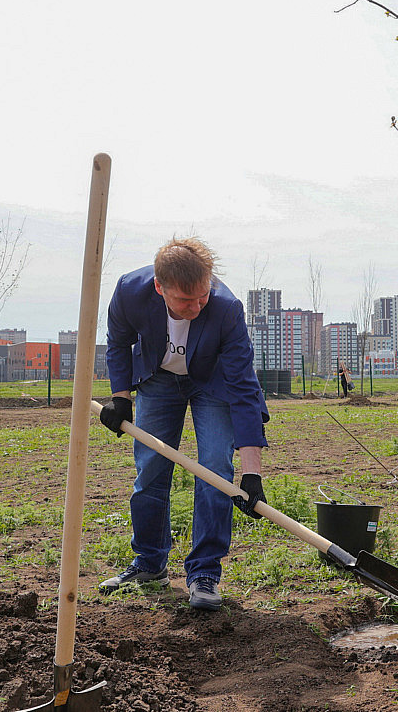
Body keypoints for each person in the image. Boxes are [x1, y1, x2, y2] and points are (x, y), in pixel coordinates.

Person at [97, 237, 270, 610]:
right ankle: (149, 563)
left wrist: (252, 473)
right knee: (150, 468)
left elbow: (244, 390)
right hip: (157, 380)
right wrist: (120, 397)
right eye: (185, 301)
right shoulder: (130, 291)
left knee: (215, 470)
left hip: (213, 383)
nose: (196, 307)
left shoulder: (226, 309)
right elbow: (118, 343)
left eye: (202, 297)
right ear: (160, 288)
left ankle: (204, 574)